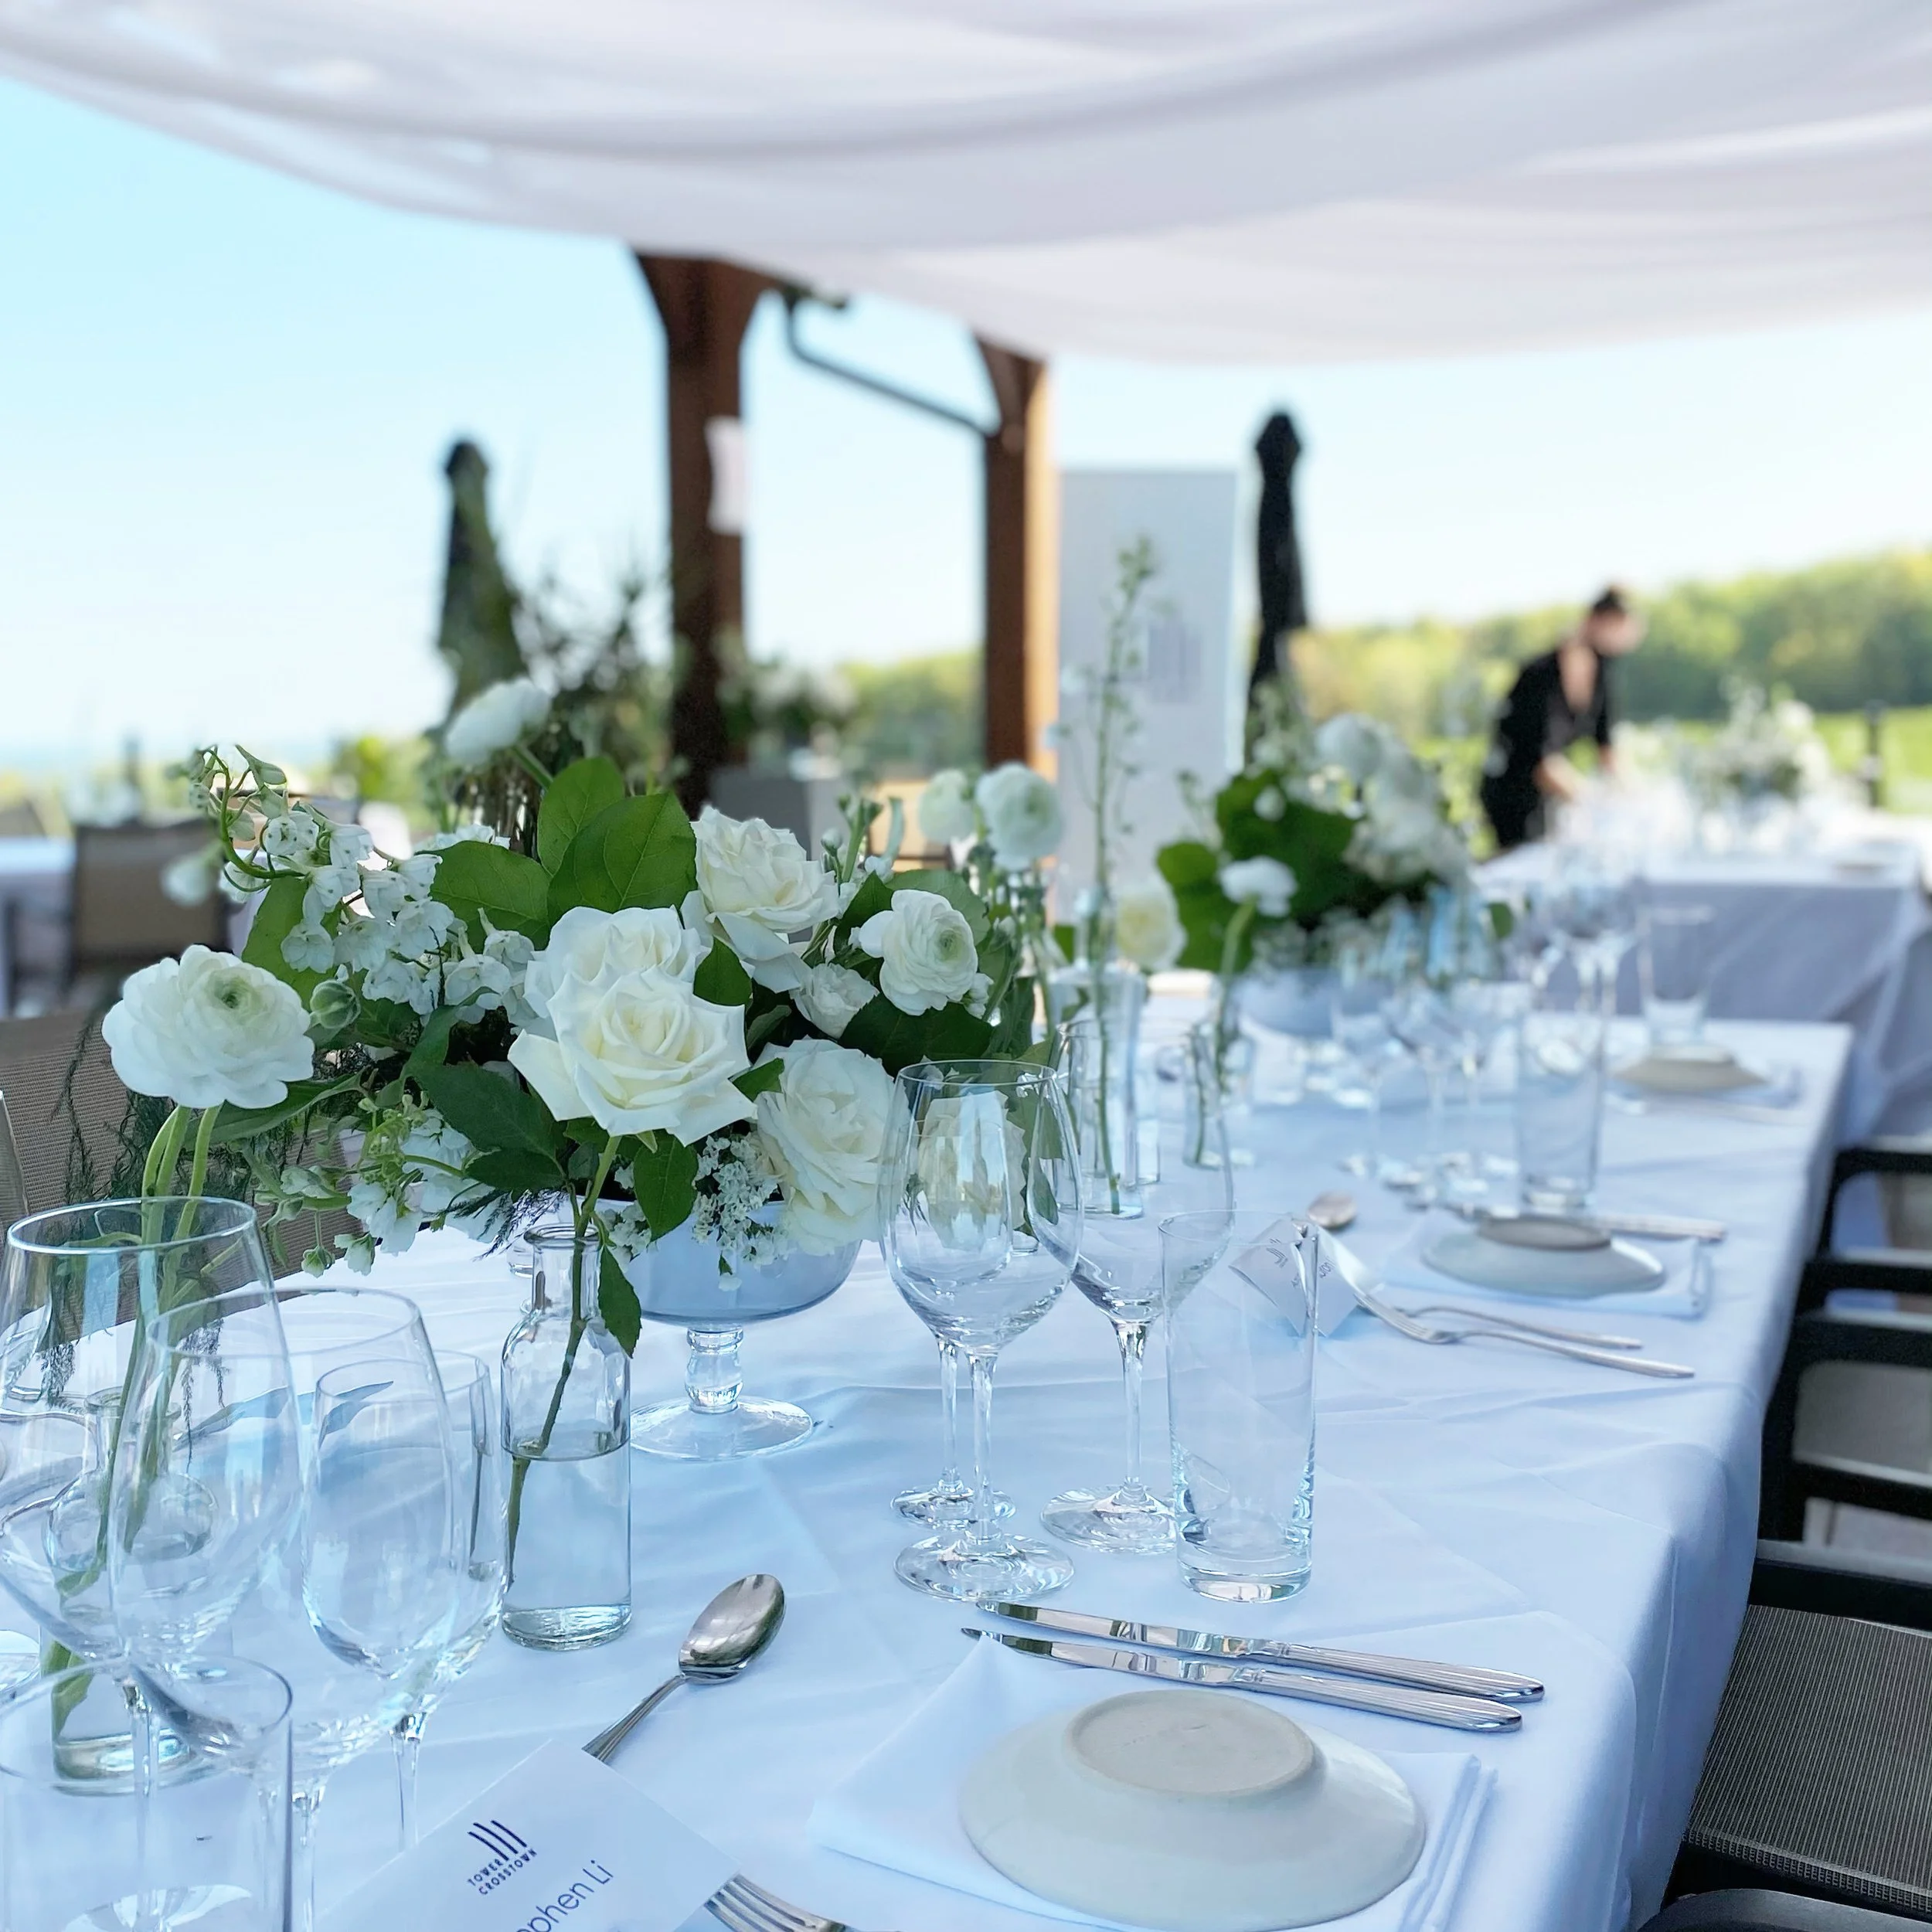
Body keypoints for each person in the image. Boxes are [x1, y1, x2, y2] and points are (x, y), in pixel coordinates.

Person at [1479, 586, 1646, 850]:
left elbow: (1608, 751)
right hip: (1514, 801)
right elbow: (1541, 763)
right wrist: (1595, 803)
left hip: (1551, 804)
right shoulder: (1541, 677)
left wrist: (1637, 801)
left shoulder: (1603, 675)